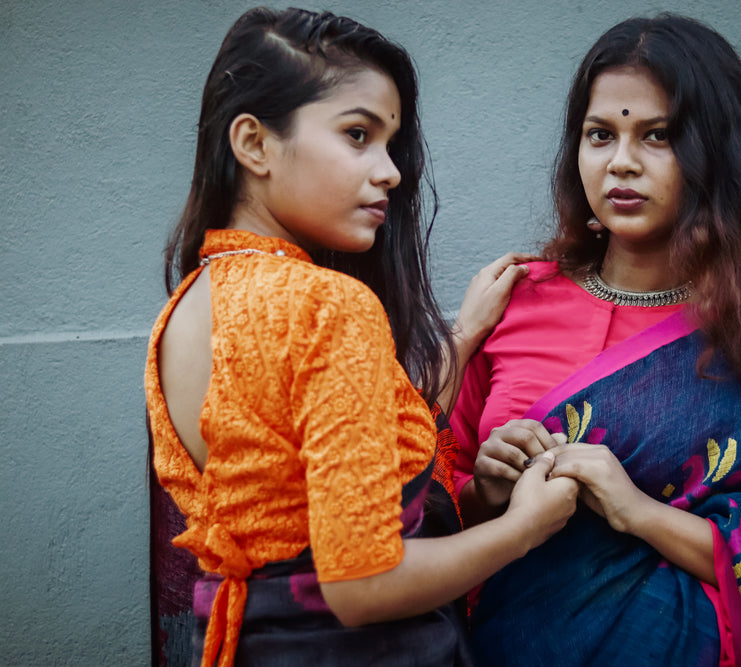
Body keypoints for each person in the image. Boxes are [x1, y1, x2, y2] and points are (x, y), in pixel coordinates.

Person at [452, 13, 741, 667]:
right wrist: (486, 490)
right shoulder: (513, 301)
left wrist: (637, 511)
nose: (621, 161)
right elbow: (421, 517)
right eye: (600, 134)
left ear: (713, 156)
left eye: (657, 136)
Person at [144, 8, 578, 666]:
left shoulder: (182, 312)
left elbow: (292, 478)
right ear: (253, 144)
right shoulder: (329, 304)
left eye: (388, 142)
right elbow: (361, 584)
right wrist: (524, 527)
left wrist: (461, 340)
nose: (390, 171)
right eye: (357, 135)